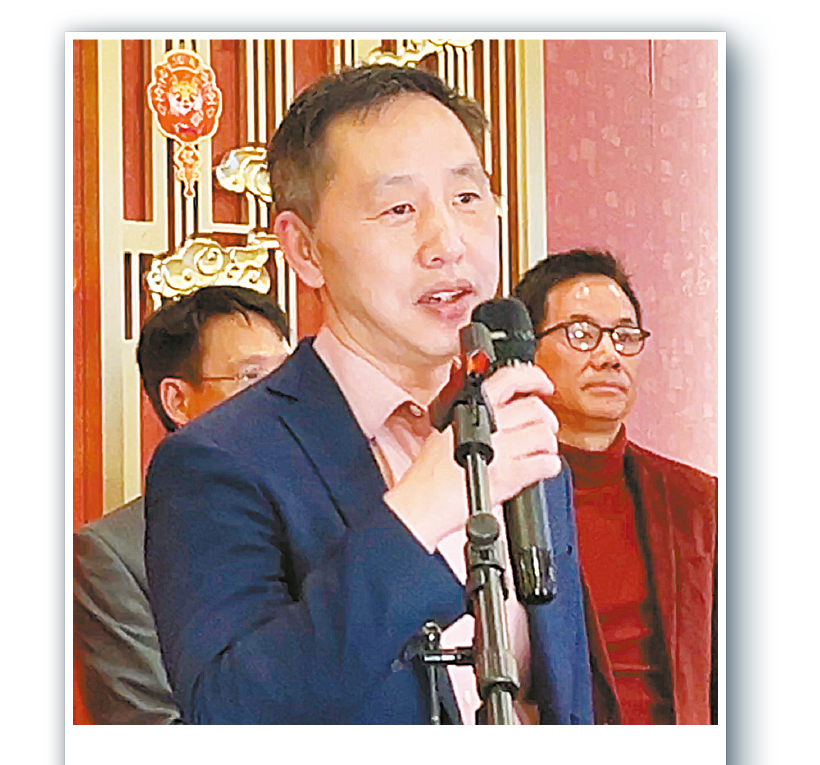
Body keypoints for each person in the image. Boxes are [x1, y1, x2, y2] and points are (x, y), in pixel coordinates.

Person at [144, 64, 594, 725]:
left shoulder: (519, 433)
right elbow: (230, 714)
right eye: (399, 209)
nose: (448, 244)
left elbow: (560, 698)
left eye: (468, 197)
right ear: (305, 250)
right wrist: (417, 517)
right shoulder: (219, 460)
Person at [514, 248, 717, 724]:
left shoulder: (697, 503)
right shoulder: (498, 498)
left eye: (625, 337)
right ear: (528, 352)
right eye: (581, 334)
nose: (609, 356)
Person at [73, 285, 291, 724]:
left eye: (289, 375)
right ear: (178, 400)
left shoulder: (336, 511)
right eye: (251, 377)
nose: (283, 396)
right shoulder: (113, 555)